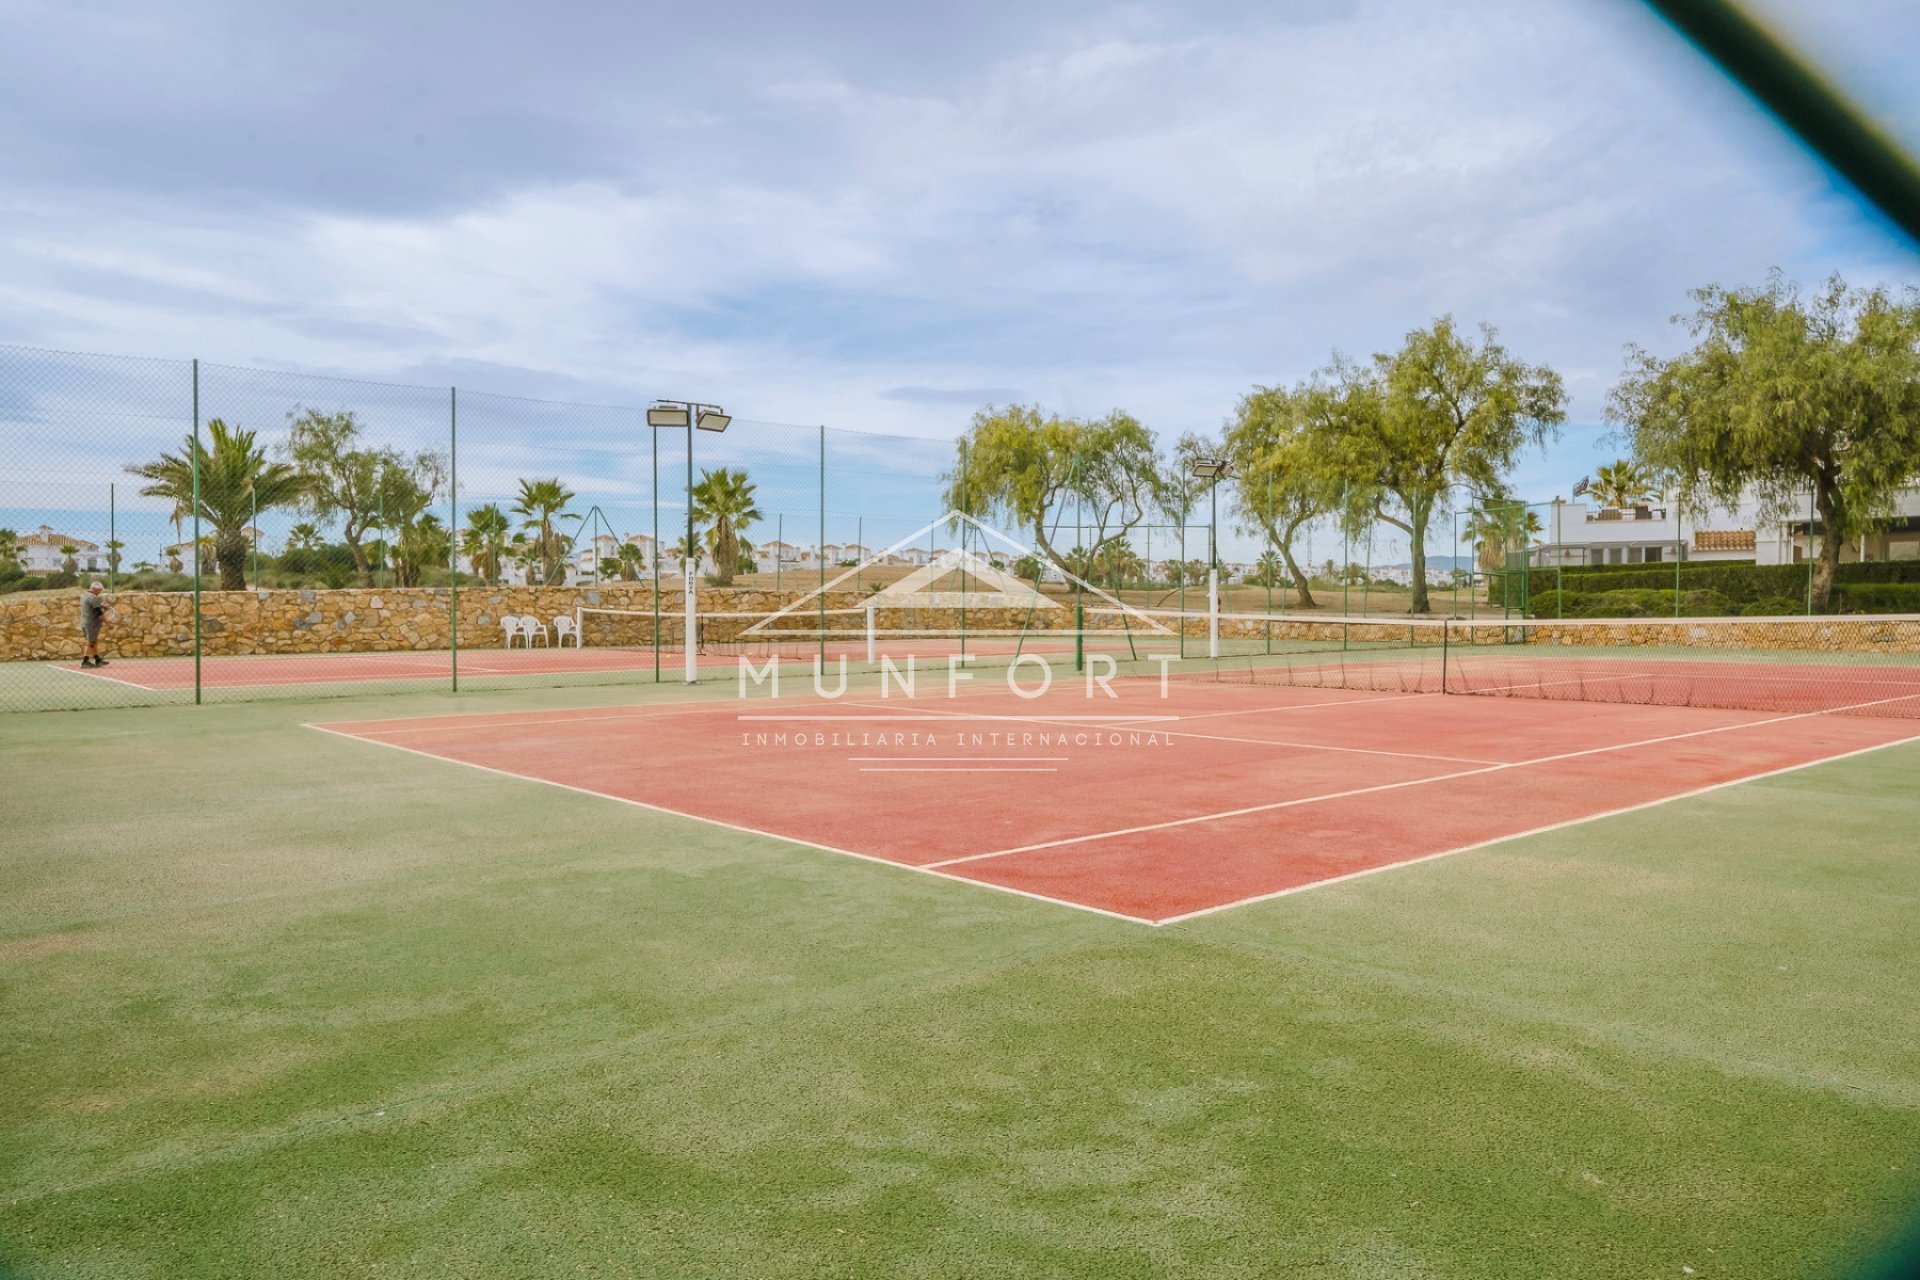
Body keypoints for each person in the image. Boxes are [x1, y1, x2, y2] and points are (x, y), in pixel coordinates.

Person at [80, 581, 111, 667]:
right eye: (99, 590)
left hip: (84, 622)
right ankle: (85, 662)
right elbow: (99, 615)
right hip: (92, 624)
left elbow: (92, 607)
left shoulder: (84, 595)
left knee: (94, 641)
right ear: (95, 589)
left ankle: (97, 659)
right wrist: (109, 624)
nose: (100, 592)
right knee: (90, 642)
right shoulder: (94, 598)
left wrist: (103, 607)